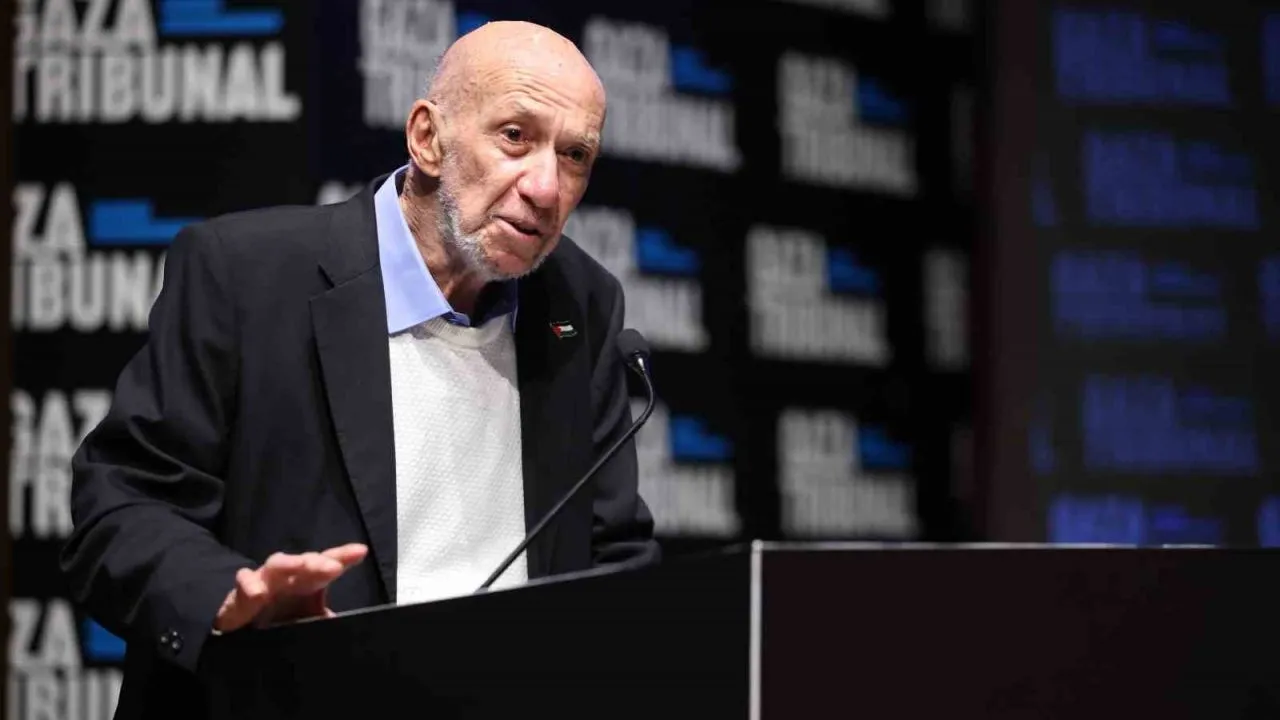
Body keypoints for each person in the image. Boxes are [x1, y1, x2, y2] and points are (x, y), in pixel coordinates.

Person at [59, 20, 659, 719]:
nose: (547, 187)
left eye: (576, 155)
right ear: (427, 138)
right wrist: (230, 599)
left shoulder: (580, 305)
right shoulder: (246, 276)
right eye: (515, 137)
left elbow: (612, 555)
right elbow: (122, 510)